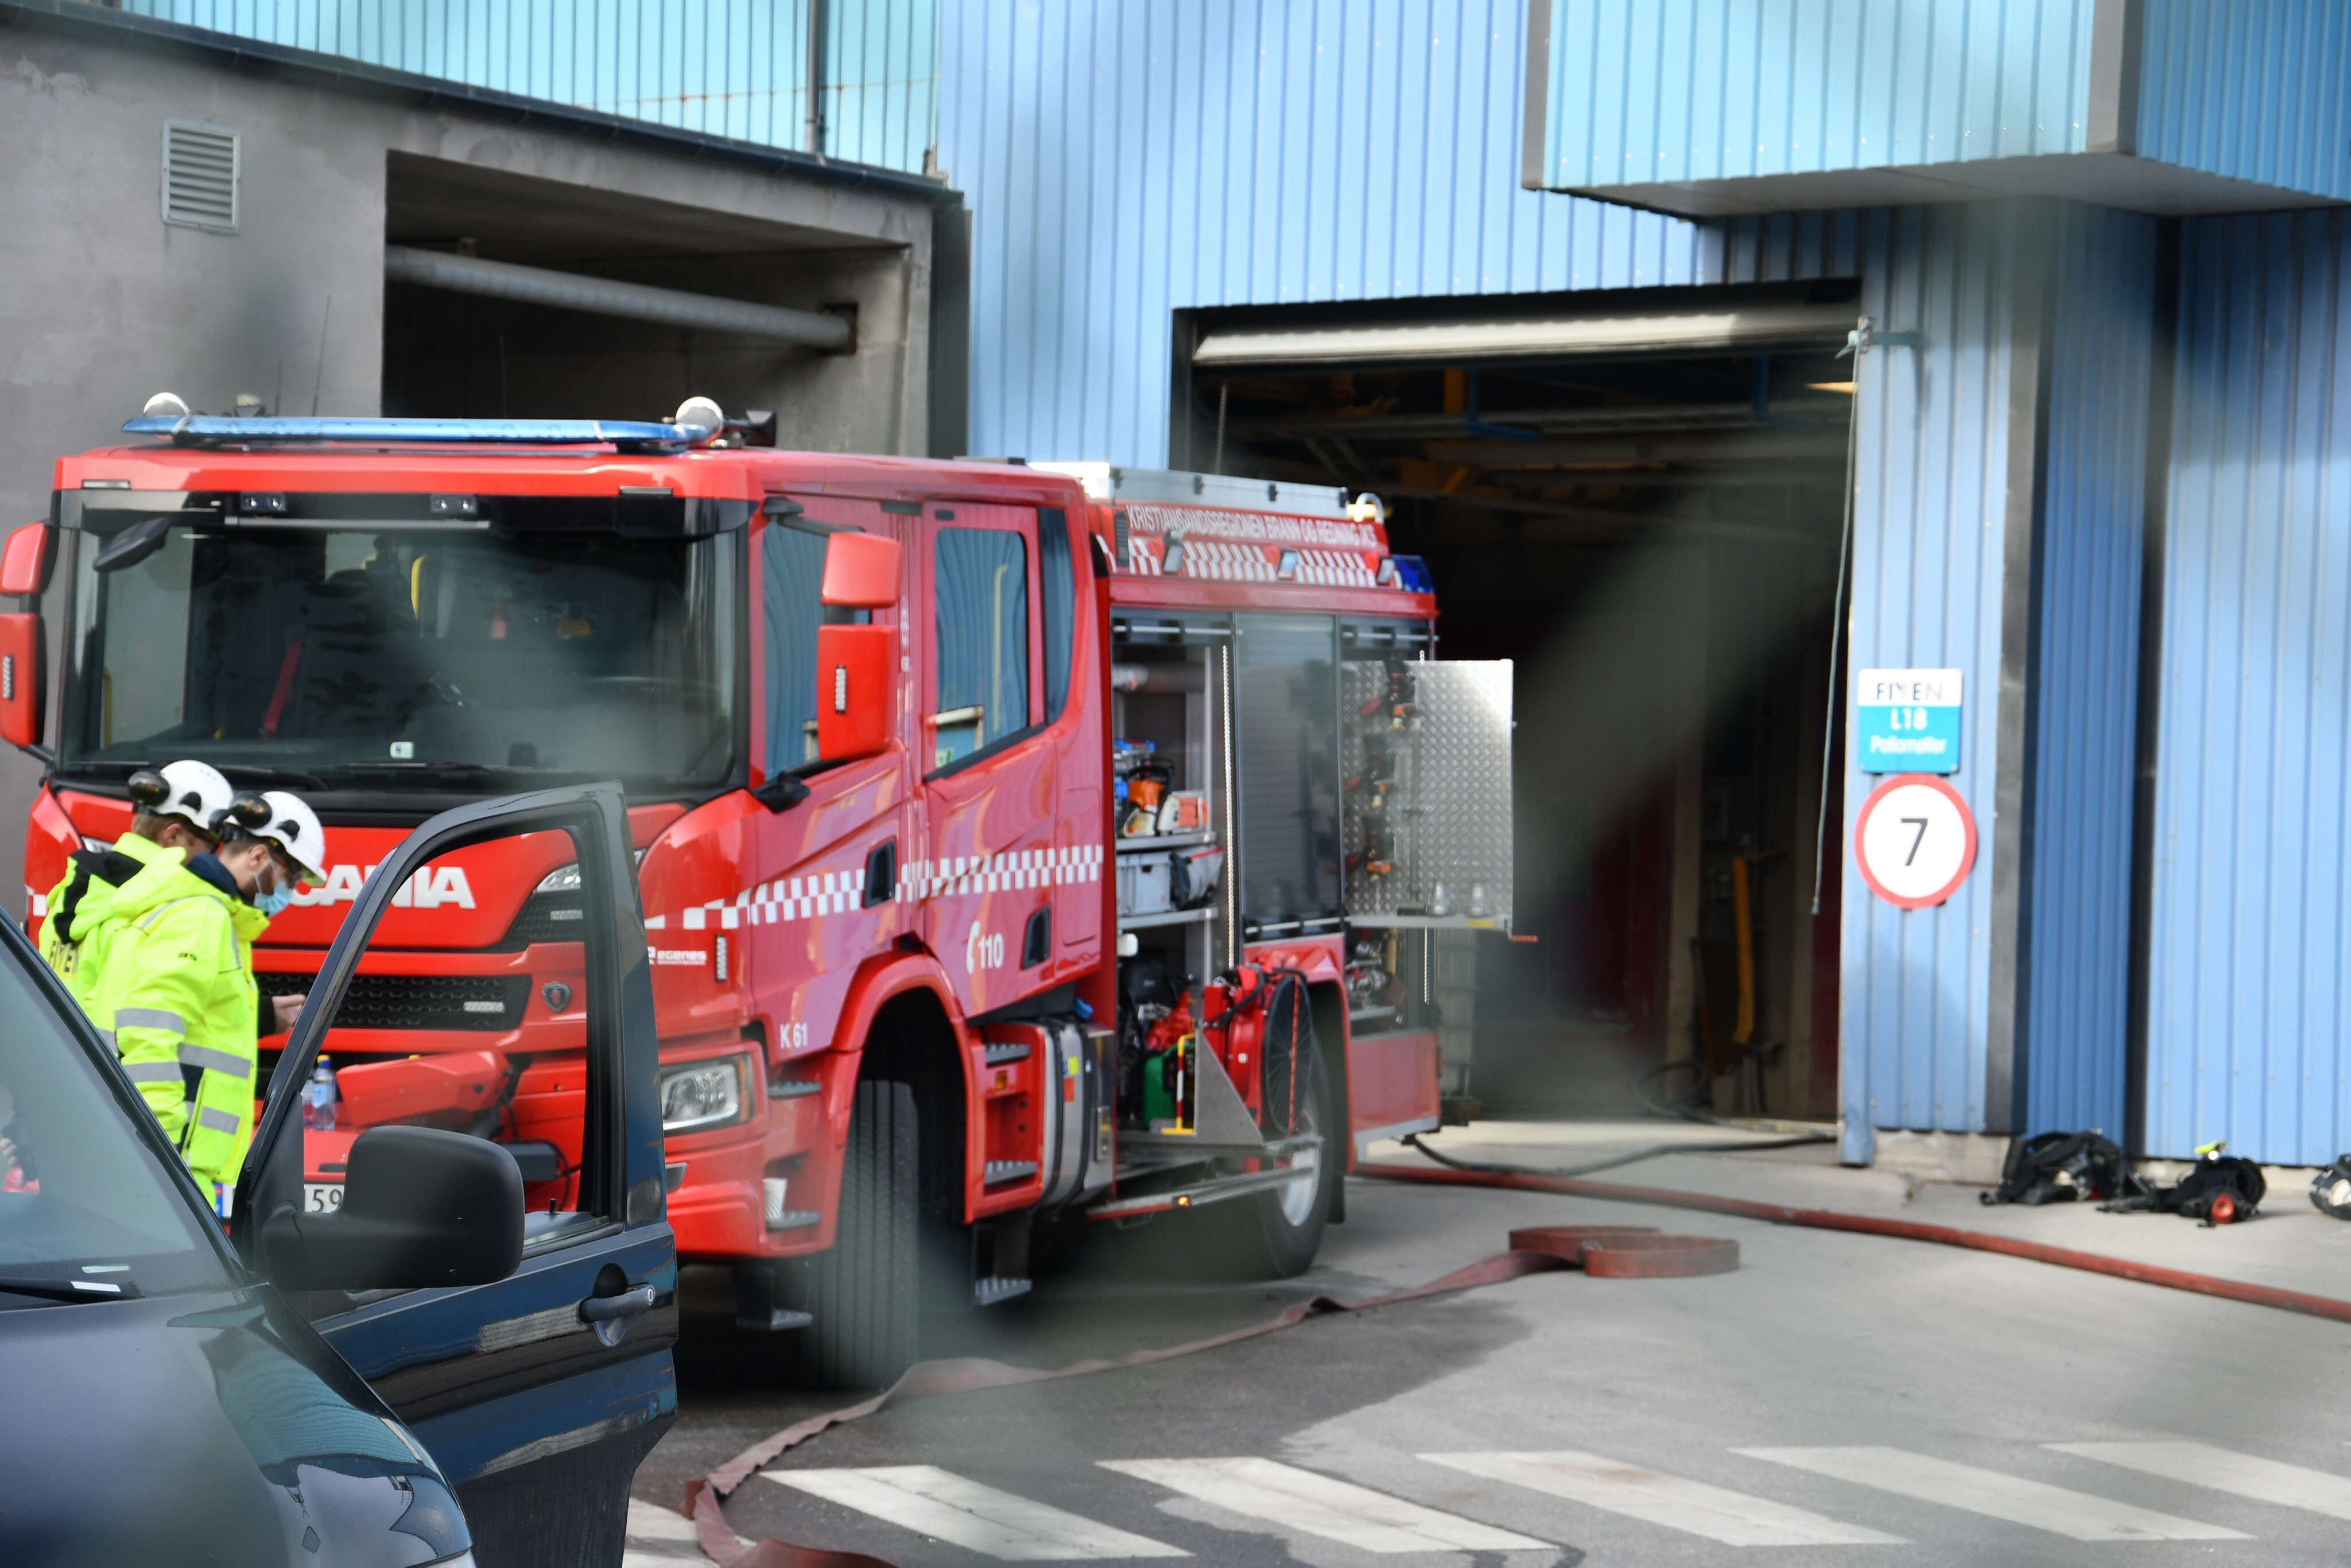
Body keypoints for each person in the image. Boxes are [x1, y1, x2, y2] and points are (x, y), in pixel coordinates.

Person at [84, 789, 327, 1212]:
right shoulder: (202, 916)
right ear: (258, 857)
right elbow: (148, 1029)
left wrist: (260, 1015)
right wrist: (160, 1141)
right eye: (290, 879)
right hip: (167, 1160)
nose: (288, 893)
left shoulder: (201, 909)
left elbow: (187, 1018)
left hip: (166, 1155)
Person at [39, 759, 232, 1006]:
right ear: (173, 836)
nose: (213, 858)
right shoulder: (162, 908)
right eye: (212, 847)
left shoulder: (69, 891)